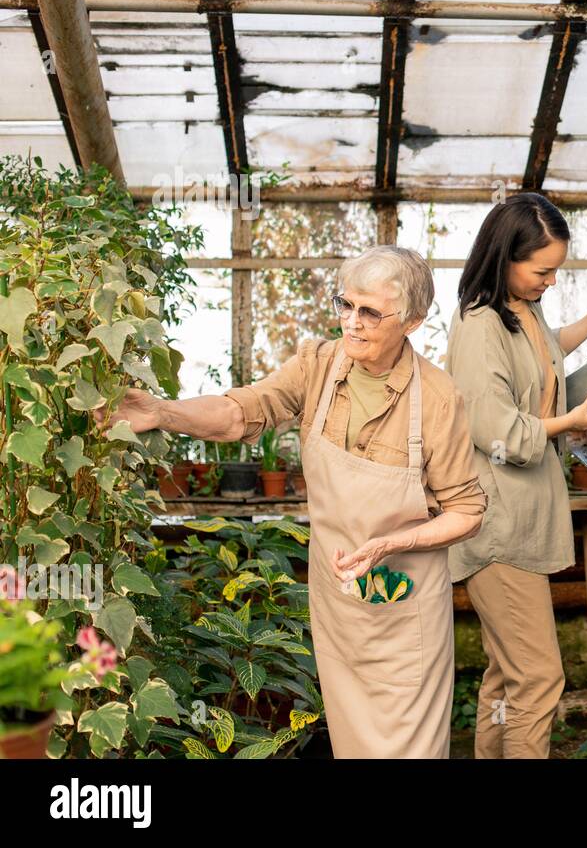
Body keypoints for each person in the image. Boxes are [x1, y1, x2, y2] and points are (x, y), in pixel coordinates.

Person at [105, 246, 485, 758]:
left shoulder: (438, 399)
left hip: (404, 614)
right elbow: (242, 413)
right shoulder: (319, 366)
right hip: (340, 604)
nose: (352, 323)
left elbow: (467, 512)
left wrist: (392, 542)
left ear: (413, 320)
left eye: (370, 312)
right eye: (344, 305)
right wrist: (162, 411)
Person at [448, 193, 587, 759]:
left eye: (556, 271)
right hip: (498, 527)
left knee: (505, 674)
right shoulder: (478, 325)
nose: (549, 281)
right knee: (540, 679)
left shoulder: (524, 309)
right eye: (541, 270)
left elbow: (543, 354)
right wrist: (567, 422)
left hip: (523, 522)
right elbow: (493, 427)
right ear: (504, 256)